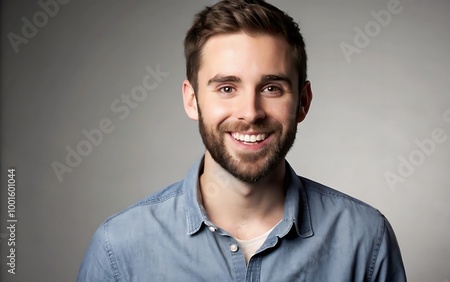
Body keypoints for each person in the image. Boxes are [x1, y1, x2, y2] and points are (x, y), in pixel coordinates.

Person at [77, 0, 407, 281]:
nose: (250, 113)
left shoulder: (365, 239)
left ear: (303, 102)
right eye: (226, 88)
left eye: (271, 88)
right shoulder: (119, 248)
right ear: (192, 100)